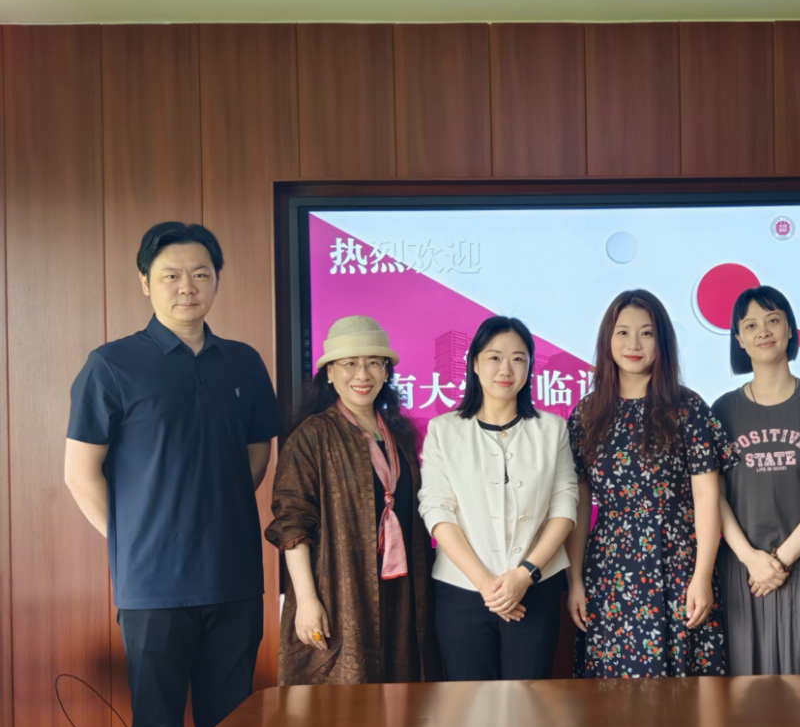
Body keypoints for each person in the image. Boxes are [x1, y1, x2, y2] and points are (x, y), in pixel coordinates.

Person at [63, 222, 281, 727]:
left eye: (201, 274)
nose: (188, 287)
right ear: (145, 282)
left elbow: (257, 453)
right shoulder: (111, 365)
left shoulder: (244, 362)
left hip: (233, 578)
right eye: (171, 276)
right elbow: (80, 474)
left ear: (216, 281)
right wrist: (136, 538)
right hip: (153, 587)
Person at [565, 289, 737, 678]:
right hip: (609, 569)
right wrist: (575, 581)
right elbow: (579, 504)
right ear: (607, 340)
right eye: (623, 333)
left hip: (679, 564)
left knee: (684, 690)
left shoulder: (687, 407)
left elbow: (707, 496)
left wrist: (702, 577)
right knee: (613, 688)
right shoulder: (587, 414)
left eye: (646, 333)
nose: (634, 344)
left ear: (662, 342)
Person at [265, 315, 442, 685]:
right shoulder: (312, 436)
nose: (362, 374)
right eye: (349, 363)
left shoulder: (400, 434)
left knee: (402, 702)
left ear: (386, 371)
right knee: (341, 704)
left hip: (402, 594)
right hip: (339, 592)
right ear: (330, 373)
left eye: (373, 362)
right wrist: (307, 601)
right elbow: (292, 523)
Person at [418, 316, 578, 681]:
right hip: (462, 591)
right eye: (494, 357)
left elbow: (564, 506)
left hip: (536, 589)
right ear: (474, 363)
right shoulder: (444, 430)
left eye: (518, 358)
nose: (506, 369)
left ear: (529, 366)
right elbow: (436, 509)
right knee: (470, 703)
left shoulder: (552, 429)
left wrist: (524, 575)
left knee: (529, 702)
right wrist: (487, 586)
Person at [713, 286, 800, 675]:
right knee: (745, 693)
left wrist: (780, 561)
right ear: (739, 339)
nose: (763, 331)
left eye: (773, 320)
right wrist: (750, 559)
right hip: (744, 569)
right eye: (750, 325)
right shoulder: (721, 411)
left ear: (790, 330)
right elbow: (714, 498)